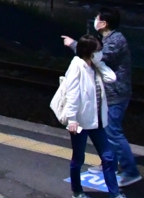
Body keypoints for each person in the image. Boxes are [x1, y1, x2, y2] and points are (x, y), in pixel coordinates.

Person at [62, 8, 140, 187]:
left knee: (114, 133)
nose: (95, 20)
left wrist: (74, 44)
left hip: (116, 93)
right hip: (109, 93)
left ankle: (130, 171)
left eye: (97, 18)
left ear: (104, 23)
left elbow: (97, 56)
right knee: (107, 131)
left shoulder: (116, 40)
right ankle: (110, 165)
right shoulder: (108, 38)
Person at [54, 36, 123, 198]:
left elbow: (111, 78)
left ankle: (115, 194)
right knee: (78, 158)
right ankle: (77, 191)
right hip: (80, 122)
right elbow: (72, 94)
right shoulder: (76, 66)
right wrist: (72, 119)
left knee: (108, 157)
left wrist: (99, 63)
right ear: (89, 52)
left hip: (97, 121)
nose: (101, 53)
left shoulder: (96, 67)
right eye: (98, 50)